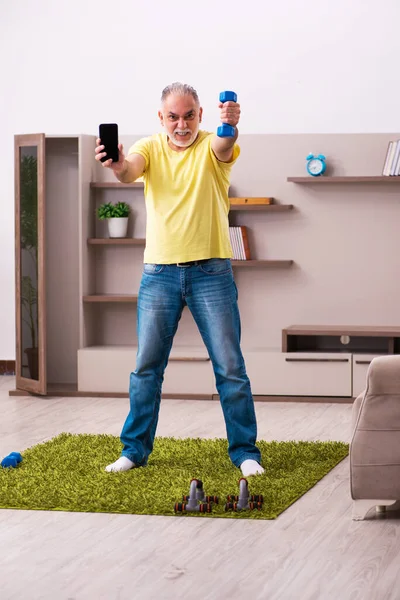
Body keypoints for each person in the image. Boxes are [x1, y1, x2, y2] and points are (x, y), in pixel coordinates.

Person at [95, 82, 264, 477]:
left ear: (201, 115)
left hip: (211, 273)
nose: (182, 124)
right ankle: (133, 450)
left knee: (230, 367)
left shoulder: (212, 145)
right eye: (173, 117)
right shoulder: (149, 148)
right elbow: (128, 171)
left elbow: (225, 146)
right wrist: (117, 163)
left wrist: (230, 126)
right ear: (161, 118)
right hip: (159, 274)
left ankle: (245, 453)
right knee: (146, 368)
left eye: (189, 115)